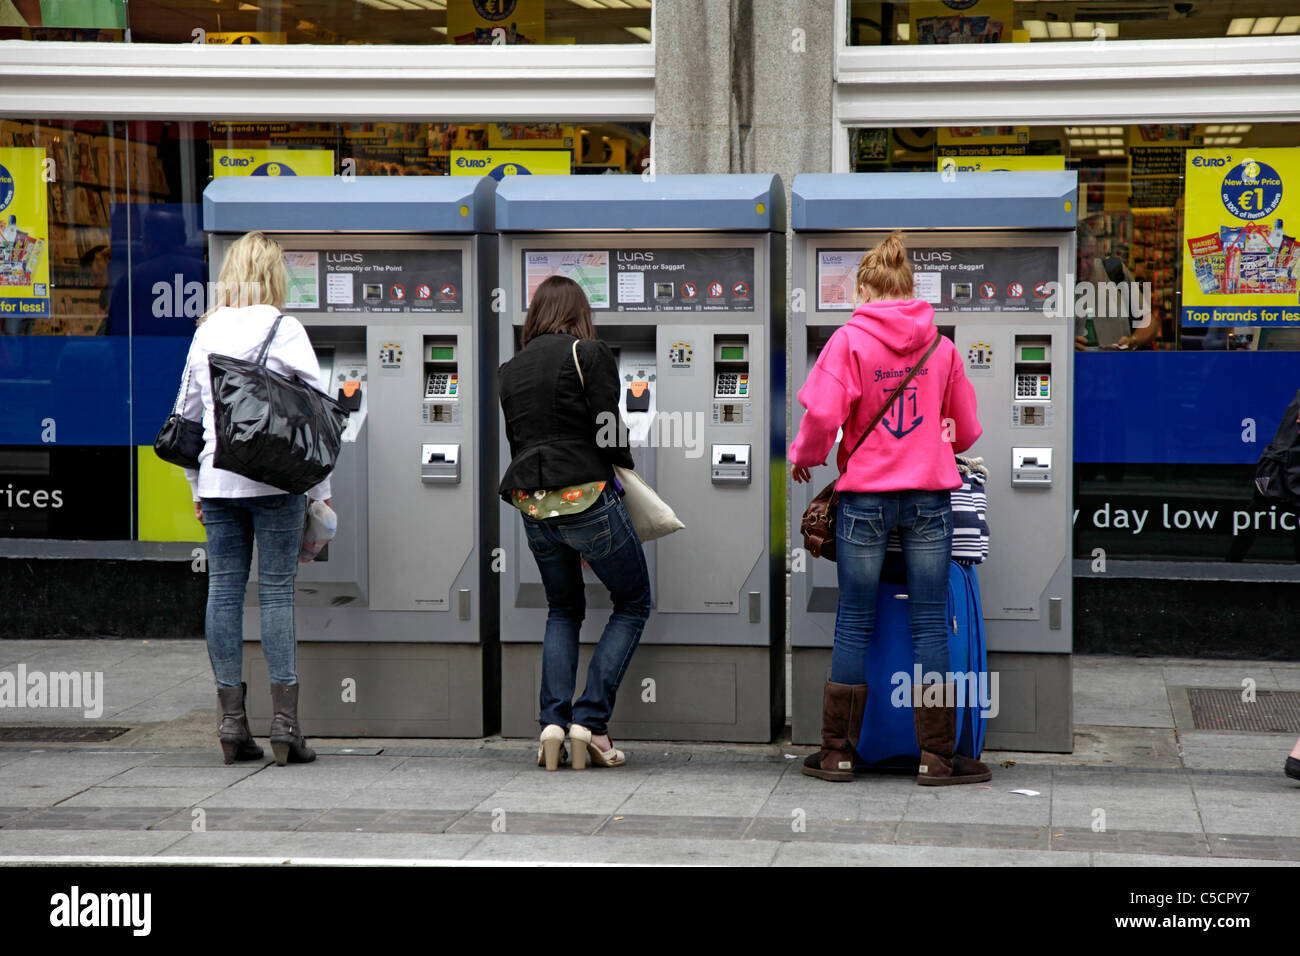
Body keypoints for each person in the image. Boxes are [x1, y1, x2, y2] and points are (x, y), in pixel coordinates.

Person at [790, 230, 989, 786]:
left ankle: (838, 753)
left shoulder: (848, 341)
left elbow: (821, 420)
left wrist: (803, 456)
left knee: (854, 618)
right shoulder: (942, 348)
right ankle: (937, 758)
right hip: (929, 498)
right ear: (909, 288)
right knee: (928, 620)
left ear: (864, 287)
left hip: (865, 500)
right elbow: (967, 431)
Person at [174, 231, 332, 767]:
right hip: (277, 483)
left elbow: (187, 420)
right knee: (276, 595)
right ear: (273, 275)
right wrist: (320, 496)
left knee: (222, 593)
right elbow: (314, 415)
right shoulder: (284, 327)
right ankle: (285, 724)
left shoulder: (206, 331)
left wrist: (199, 488)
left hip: (219, 483)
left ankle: (231, 723)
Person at [498, 275, 651, 771]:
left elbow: (518, 443)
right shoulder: (590, 353)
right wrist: (624, 467)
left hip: (534, 505)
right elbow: (608, 429)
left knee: (563, 609)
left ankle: (552, 724)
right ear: (578, 313)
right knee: (632, 602)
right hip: (585, 495)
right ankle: (592, 723)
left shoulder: (510, 369)